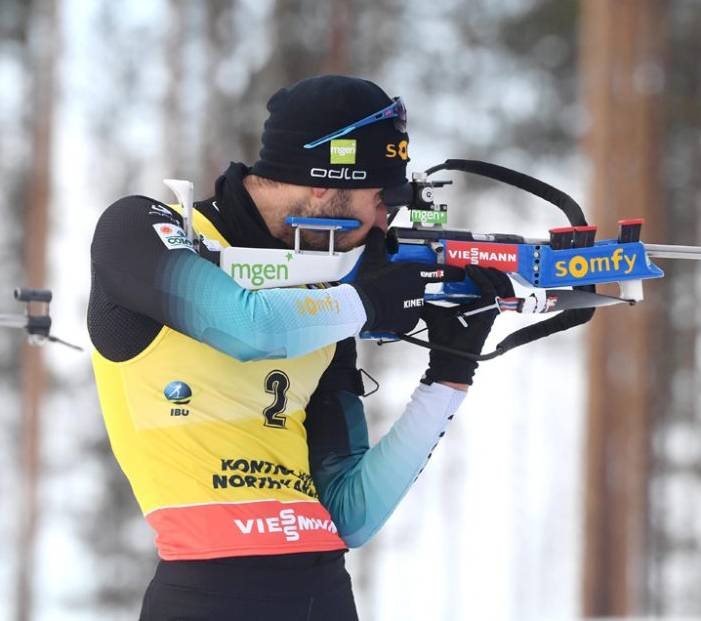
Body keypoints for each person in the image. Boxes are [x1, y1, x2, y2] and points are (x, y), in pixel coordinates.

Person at [88, 75, 513, 620]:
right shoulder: (140, 229)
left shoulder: (325, 298)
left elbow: (351, 514)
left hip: (326, 594)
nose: (388, 220)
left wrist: (449, 376)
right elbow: (250, 328)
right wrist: (366, 301)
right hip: (206, 592)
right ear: (321, 184)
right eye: (382, 198)